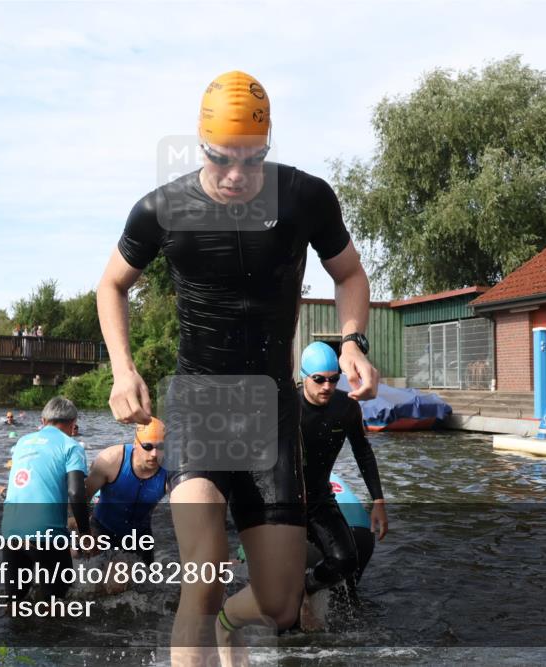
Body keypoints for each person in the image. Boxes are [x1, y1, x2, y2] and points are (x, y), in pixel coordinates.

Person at [96, 70, 379, 662]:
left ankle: (231, 625)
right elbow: (111, 285)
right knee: (204, 574)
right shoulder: (162, 209)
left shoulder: (305, 197)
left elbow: (349, 273)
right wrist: (123, 369)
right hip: (201, 404)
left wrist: (353, 342)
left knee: (279, 604)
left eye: (253, 160)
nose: (236, 175)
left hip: (271, 409)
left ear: (269, 145)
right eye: (222, 158)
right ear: (201, 144)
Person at [298, 342, 387, 620]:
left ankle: (307, 588)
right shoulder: (285, 407)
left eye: (334, 379)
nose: (327, 386)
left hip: (319, 499)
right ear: (304, 377)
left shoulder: (345, 407)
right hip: (283, 501)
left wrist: (378, 501)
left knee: (346, 561)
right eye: (319, 380)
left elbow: (363, 452)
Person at [0, 396, 90, 604]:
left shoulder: (22, 442)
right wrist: (85, 534)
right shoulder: (71, 446)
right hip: (47, 535)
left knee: (15, 603)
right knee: (57, 603)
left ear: (43, 420)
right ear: (73, 422)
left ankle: (11, 636)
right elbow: (76, 493)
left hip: (11, 531)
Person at [85, 418, 168, 565]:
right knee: (105, 584)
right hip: (102, 530)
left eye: (161, 447)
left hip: (141, 538)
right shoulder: (111, 460)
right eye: (147, 446)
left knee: (147, 584)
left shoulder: (170, 472)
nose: (154, 454)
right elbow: (80, 499)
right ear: (136, 443)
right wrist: (85, 532)